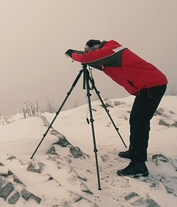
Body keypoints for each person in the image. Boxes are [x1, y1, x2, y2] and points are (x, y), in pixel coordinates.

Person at [65, 39, 167, 178]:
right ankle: (134, 151)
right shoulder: (109, 55)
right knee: (136, 121)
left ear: (96, 48)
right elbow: (96, 62)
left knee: (139, 122)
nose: (91, 54)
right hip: (149, 86)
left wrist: (72, 54)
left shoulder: (111, 50)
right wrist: (85, 58)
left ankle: (139, 164)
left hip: (152, 86)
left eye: (90, 51)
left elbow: (89, 58)